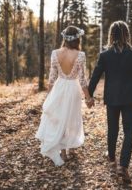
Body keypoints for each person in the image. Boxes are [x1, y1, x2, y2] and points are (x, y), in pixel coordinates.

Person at [88, 21, 132, 183]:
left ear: (111, 35)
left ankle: (111, 158)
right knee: (129, 131)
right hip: (131, 97)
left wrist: (89, 95)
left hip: (112, 98)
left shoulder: (105, 55)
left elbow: (95, 76)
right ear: (127, 34)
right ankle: (123, 166)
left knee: (113, 129)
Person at [35, 26, 94, 166]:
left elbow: (51, 78)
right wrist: (88, 97)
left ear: (65, 38)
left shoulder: (55, 53)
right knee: (71, 118)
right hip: (73, 89)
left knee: (60, 117)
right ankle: (69, 148)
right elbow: (82, 80)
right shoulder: (80, 55)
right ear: (77, 39)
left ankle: (62, 152)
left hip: (59, 88)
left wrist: (50, 95)